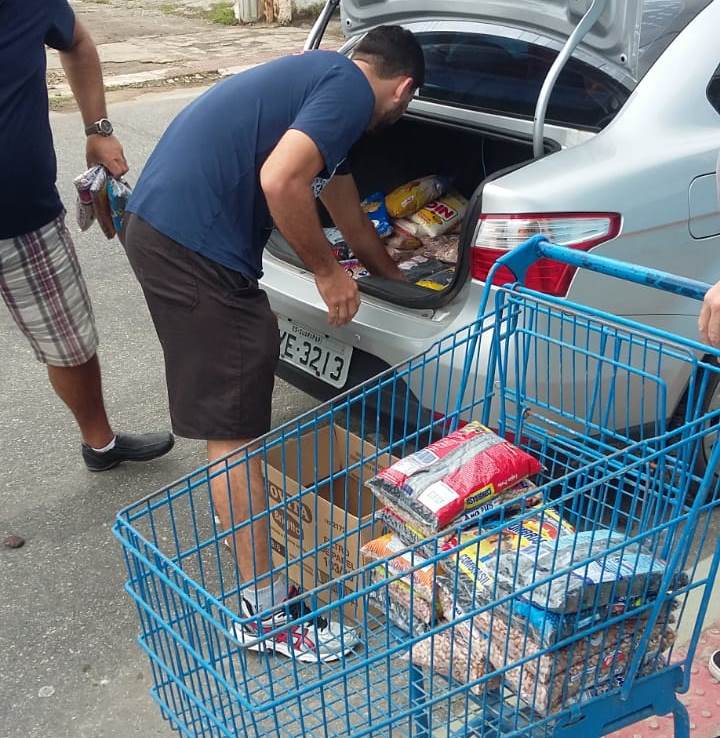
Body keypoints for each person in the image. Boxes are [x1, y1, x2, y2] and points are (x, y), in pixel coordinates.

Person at [121, 25, 424, 661]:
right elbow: (283, 181)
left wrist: (393, 275)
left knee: (236, 402)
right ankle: (265, 610)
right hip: (193, 244)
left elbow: (340, 203)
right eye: (405, 107)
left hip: (166, 225)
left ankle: (254, 567)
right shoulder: (346, 91)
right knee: (233, 429)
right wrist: (325, 271)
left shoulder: (323, 82)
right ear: (404, 90)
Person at [0, 0, 174, 471]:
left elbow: (77, 41)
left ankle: (101, 445)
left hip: (26, 217)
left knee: (71, 343)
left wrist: (97, 129)